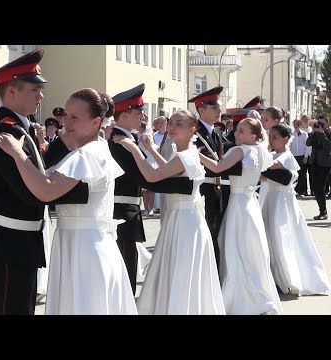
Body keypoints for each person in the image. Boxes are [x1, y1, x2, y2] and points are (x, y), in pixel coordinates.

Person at [0, 88, 138, 315]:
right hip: (85, 243)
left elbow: (46, 190)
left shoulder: (86, 154)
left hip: (83, 249)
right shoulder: (94, 148)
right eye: (65, 115)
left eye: (75, 118)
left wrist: (18, 154)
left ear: (96, 122)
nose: (66, 123)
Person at [0, 48, 89, 315]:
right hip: (11, 239)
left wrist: (63, 142)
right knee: (11, 309)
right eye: (33, 90)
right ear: (12, 92)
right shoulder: (8, 129)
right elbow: (30, 190)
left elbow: (37, 165)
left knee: (22, 306)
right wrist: (71, 190)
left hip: (22, 238)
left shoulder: (22, 126)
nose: (41, 95)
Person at [113, 109, 225, 314]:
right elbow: (170, 170)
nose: (172, 128)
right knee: (177, 270)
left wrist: (135, 150)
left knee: (179, 271)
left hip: (184, 221)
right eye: (171, 123)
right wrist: (151, 150)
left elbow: (153, 177)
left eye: (179, 124)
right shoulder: (187, 153)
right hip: (183, 218)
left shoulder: (184, 155)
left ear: (193, 129)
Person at [108, 84, 193, 295]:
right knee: (125, 268)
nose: (142, 117)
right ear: (126, 114)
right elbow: (145, 179)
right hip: (122, 209)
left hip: (128, 208)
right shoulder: (120, 142)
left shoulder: (129, 139)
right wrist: (185, 186)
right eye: (138, 113)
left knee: (129, 265)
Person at [199, 118, 282, 315]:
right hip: (250, 203)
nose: (237, 134)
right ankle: (257, 295)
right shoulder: (258, 151)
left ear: (253, 135)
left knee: (236, 249)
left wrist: (197, 155)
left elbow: (219, 168)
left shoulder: (240, 150)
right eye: (237, 131)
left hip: (239, 202)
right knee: (250, 250)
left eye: (242, 131)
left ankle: (238, 296)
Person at [261, 124, 331, 296]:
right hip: (271, 199)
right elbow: (262, 176)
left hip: (282, 202)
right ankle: (276, 275)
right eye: (270, 136)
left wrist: (257, 152)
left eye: (274, 137)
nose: (270, 140)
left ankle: (288, 277)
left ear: (285, 139)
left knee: (281, 237)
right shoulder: (272, 154)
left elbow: (271, 166)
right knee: (270, 237)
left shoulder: (285, 155)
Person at [188, 86, 242, 271]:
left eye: (219, 107)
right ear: (201, 109)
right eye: (215, 108)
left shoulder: (215, 133)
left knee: (217, 234)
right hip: (204, 191)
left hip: (218, 191)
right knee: (209, 235)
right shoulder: (195, 134)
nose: (220, 111)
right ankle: (210, 274)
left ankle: (216, 274)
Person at [306, 113, 331, 220]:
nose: (320, 125)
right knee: (316, 189)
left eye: (322, 123)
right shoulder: (315, 132)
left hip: (325, 164)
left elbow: (328, 148)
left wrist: (322, 134)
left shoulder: (329, 132)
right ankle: (322, 211)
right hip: (315, 162)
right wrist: (313, 132)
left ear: (327, 122)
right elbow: (308, 143)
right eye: (318, 122)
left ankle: (323, 212)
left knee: (320, 188)